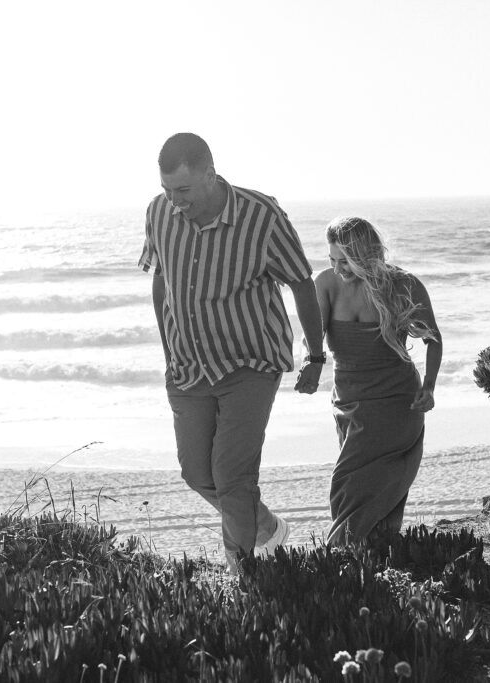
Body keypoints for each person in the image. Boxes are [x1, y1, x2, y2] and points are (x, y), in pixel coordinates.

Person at [138, 133, 325, 573]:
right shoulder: (158, 212)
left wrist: (315, 356)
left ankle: (242, 574)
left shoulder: (261, 217)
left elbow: (300, 280)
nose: (174, 201)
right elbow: (161, 277)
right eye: (167, 190)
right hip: (187, 365)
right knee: (196, 474)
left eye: (182, 191)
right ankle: (266, 528)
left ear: (210, 174)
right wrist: (168, 351)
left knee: (233, 476)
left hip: (250, 363)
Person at [306, 216, 442, 546]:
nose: (339, 268)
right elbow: (314, 337)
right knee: (349, 482)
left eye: (346, 261)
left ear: (365, 256)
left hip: (397, 402)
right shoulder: (325, 284)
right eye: (332, 260)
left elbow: (433, 339)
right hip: (350, 401)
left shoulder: (403, 285)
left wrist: (430, 386)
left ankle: (341, 556)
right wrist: (312, 361)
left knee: (375, 482)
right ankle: (366, 559)